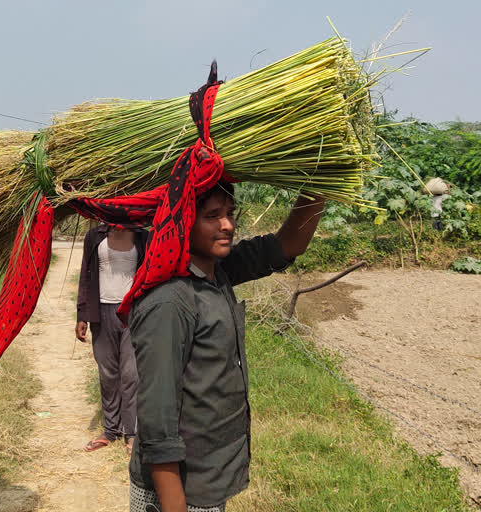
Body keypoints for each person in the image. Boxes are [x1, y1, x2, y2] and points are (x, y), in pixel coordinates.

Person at [128, 182, 325, 512]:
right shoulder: (170, 301)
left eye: (230, 214)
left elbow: (287, 244)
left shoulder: (216, 271)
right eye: (212, 216)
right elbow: (156, 421)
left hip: (207, 479)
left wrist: (322, 180)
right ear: (180, 221)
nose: (228, 225)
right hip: (178, 493)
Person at [76, 223, 149, 453]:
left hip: (132, 313)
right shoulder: (95, 236)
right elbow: (85, 276)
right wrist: (82, 315)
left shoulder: (141, 236)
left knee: (131, 374)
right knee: (108, 373)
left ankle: (132, 434)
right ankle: (110, 430)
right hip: (102, 312)